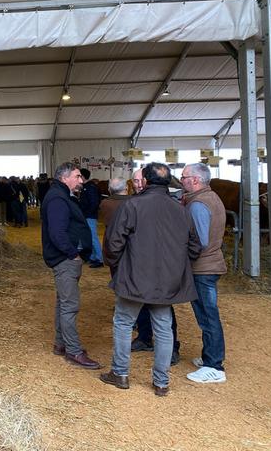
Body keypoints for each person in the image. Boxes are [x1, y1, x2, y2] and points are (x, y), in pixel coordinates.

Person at [101, 163, 200, 396]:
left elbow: (113, 244)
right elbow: (195, 247)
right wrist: (178, 266)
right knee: (164, 328)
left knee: (124, 323)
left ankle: (120, 373)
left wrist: (118, 265)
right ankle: (161, 382)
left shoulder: (132, 205)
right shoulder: (181, 209)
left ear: (144, 181)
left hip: (134, 278)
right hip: (167, 281)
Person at [40, 162, 100, 369]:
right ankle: (73, 351)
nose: (81, 180)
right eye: (77, 176)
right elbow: (57, 232)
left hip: (64, 258)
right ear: (65, 177)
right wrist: (72, 253)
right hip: (65, 260)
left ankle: (61, 344)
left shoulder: (61, 195)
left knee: (63, 303)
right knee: (69, 305)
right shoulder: (58, 198)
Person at [127, 168, 182, 364]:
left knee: (163, 311)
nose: (139, 184)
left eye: (142, 180)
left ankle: (172, 348)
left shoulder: (172, 204)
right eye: (135, 181)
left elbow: (188, 239)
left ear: (149, 181)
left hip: (161, 268)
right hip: (139, 268)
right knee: (140, 305)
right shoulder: (131, 204)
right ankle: (144, 337)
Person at [181, 162, 228, 384]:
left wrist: (181, 257)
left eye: (184, 177)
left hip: (203, 268)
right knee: (207, 315)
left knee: (208, 317)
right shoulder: (211, 197)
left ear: (195, 180)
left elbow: (199, 241)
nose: (181, 181)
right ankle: (210, 356)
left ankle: (214, 366)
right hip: (210, 264)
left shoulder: (198, 204)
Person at [79, 169, 103, 267]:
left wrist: (87, 213)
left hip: (90, 216)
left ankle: (99, 259)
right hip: (87, 216)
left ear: (83, 177)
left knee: (93, 237)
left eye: (79, 176)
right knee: (90, 237)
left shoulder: (90, 187)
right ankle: (93, 256)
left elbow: (94, 203)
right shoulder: (86, 187)